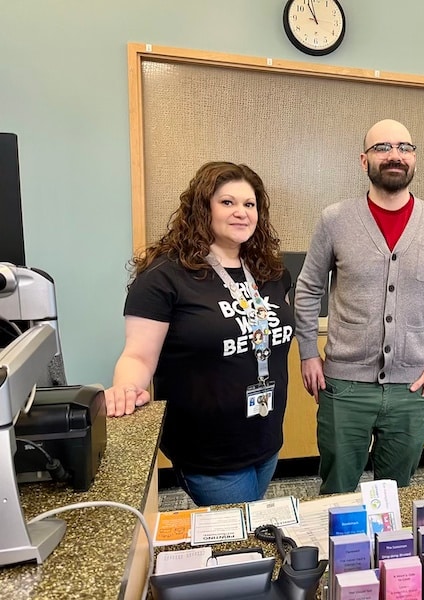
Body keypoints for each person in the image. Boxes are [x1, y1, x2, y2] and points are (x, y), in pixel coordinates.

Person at [104, 161, 294, 506]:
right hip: (209, 450)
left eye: (249, 204)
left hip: (264, 435)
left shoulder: (271, 272)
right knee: (243, 538)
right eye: (227, 202)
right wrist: (126, 388)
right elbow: (137, 355)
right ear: (202, 207)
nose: (241, 212)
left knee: (250, 527)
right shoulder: (164, 276)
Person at [294, 118, 424, 494]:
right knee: (336, 491)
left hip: (413, 387)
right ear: (363, 160)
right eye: (382, 147)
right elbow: (307, 289)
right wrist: (308, 353)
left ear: (414, 158)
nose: (395, 156)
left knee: (396, 495)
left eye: (404, 147)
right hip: (345, 386)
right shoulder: (335, 219)